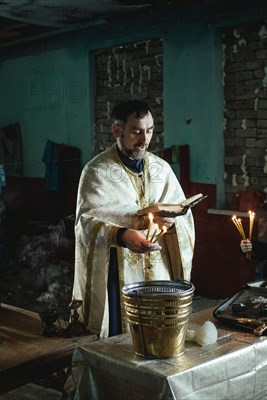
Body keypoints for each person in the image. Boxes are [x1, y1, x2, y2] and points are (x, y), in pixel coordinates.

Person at [73, 100, 195, 338]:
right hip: (119, 271)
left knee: (158, 334)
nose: (145, 139)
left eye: (149, 130)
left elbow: (183, 215)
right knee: (120, 337)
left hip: (158, 268)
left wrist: (172, 223)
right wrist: (121, 235)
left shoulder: (162, 170)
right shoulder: (97, 171)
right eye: (136, 131)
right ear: (117, 131)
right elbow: (85, 223)